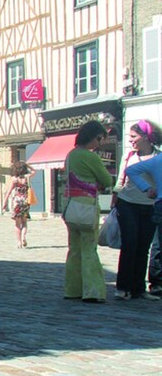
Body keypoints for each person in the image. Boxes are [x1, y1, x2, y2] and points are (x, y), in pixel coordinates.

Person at [62, 121, 114, 303]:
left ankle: (72, 289)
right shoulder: (90, 157)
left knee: (74, 250)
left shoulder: (71, 155)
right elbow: (107, 180)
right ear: (92, 137)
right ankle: (92, 291)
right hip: (87, 206)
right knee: (89, 249)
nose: (99, 143)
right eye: (99, 139)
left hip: (70, 205)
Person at [112, 119, 162, 300]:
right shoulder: (129, 156)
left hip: (150, 207)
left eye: (133, 136)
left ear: (146, 137)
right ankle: (123, 288)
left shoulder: (158, 156)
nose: (130, 140)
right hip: (127, 204)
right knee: (129, 245)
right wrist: (115, 198)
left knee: (143, 247)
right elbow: (120, 180)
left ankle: (138, 289)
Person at [1, 161, 36, 248]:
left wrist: (4, 203)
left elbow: (9, 192)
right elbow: (34, 171)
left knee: (17, 224)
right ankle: (23, 237)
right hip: (25, 201)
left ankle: (19, 242)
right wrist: (27, 165)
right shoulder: (27, 177)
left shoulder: (14, 179)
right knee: (24, 222)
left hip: (17, 202)